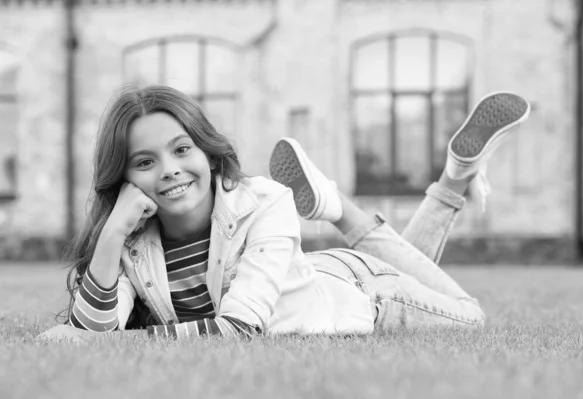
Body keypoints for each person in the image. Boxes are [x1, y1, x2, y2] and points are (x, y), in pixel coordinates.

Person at [43, 87, 529, 340]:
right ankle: (450, 175)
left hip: (367, 293)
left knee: (470, 317)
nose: (169, 171)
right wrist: (111, 233)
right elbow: (94, 331)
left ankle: (351, 207)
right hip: (298, 273)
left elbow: (239, 329)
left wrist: (114, 345)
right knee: (422, 264)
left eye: (181, 149)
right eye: (145, 162)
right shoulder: (132, 237)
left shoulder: (264, 202)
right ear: (124, 178)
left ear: (209, 155)